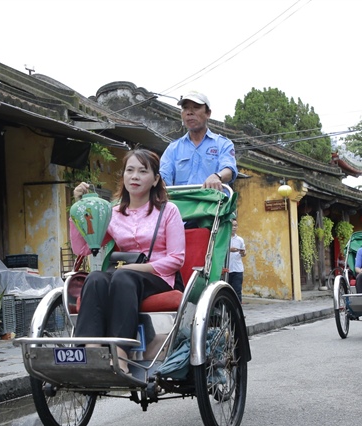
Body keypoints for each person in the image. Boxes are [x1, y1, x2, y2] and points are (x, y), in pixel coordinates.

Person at [69, 149, 186, 372]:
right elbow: (84, 248)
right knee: (95, 278)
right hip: (123, 278)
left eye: (143, 171)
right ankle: (91, 350)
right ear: (123, 176)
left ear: (155, 180)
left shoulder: (168, 211)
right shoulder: (111, 213)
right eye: (130, 170)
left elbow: (176, 259)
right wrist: (79, 211)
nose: (135, 176)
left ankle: (120, 355)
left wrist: (137, 267)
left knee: (123, 275)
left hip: (158, 279)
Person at [159, 91, 237, 190]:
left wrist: (217, 176)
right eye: (185, 108)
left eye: (196, 107)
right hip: (181, 203)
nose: (189, 112)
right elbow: (164, 176)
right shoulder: (173, 148)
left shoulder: (223, 144)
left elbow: (229, 170)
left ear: (208, 113)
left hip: (214, 203)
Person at [228, 219, 246, 301]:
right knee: (228, 291)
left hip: (238, 269)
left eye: (235, 226)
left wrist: (243, 253)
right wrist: (229, 250)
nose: (234, 228)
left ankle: (238, 311)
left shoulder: (240, 240)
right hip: (227, 269)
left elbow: (244, 253)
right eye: (232, 226)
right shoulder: (225, 239)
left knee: (237, 290)